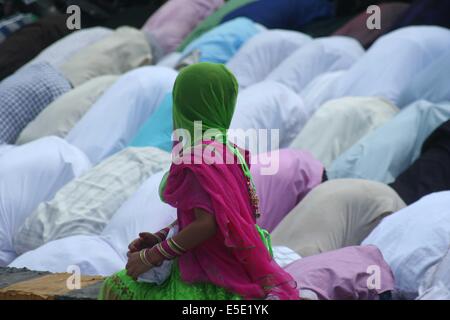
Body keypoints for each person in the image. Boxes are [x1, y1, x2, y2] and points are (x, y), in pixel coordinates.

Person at [99, 62, 298, 300]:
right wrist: (163, 236)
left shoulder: (198, 157)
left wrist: (152, 256)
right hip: (238, 265)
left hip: (211, 277)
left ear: (183, 104)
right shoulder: (229, 150)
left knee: (115, 287)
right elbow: (220, 215)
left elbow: (207, 224)